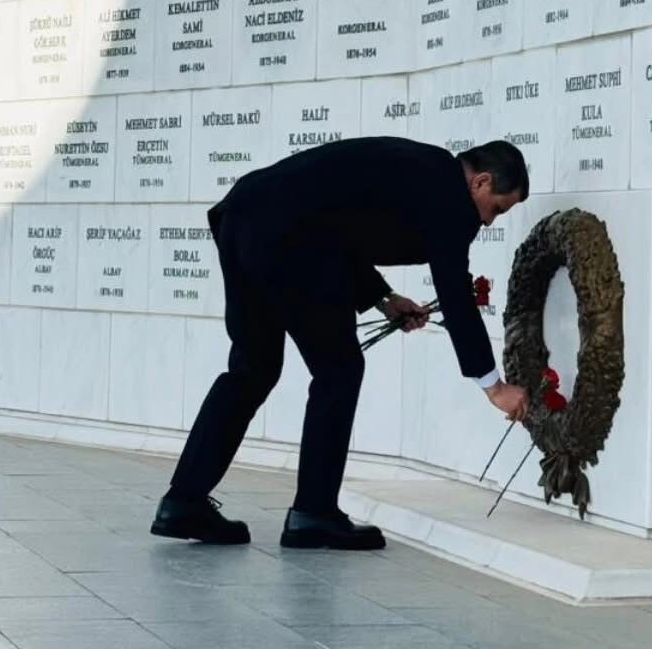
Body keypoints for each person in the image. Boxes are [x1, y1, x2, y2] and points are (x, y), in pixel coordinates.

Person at [151, 137, 532, 550]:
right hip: (290, 240)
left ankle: (183, 501)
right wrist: (493, 386)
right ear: (481, 182)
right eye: (497, 208)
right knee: (338, 370)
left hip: (243, 218)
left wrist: (383, 299)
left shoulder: (422, 168)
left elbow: (336, 221)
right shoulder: (450, 200)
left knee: (251, 369)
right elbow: (456, 293)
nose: (490, 221)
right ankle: (314, 512)